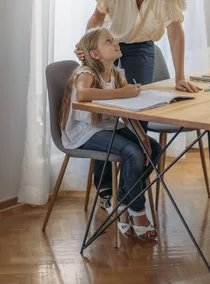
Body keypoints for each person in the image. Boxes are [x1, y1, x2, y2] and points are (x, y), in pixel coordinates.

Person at [75, 0, 202, 209]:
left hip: (142, 46)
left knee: (137, 119)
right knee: (105, 117)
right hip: (109, 43)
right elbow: (98, 17)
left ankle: (129, 194)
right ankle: (106, 189)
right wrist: (88, 46)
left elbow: (175, 32)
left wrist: (179, 76)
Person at [61, 27, 161, 241]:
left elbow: (126, 113)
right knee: (132, 153)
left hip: (109, 127)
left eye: (113, 39)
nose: (115, 42)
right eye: (108, 41)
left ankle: (123, 201)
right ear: (95, 54)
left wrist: (143, 137)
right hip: (85, 132)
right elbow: (83, 93)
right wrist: (122, 93)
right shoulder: (86, 73)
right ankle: (137, 211)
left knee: (154, 148)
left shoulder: (118, 74)